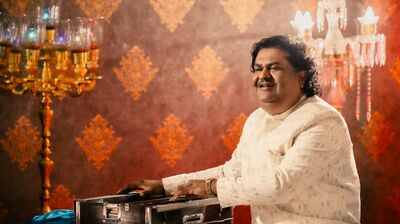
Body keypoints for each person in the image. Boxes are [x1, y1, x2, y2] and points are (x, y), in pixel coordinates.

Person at [118, 35, 361, 224]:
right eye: (257, 68)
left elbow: (281, 185)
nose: (263, 76)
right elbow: (234, 170)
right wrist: (165, 185)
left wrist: (209, 188)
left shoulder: (322, 120)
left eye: (274, 67)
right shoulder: (257, 120)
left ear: (300, 76)